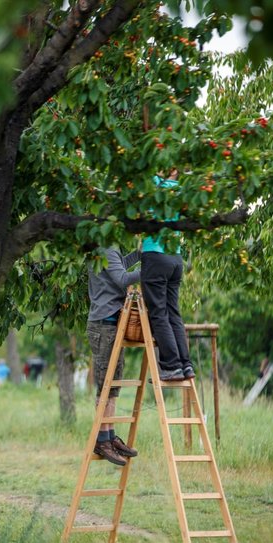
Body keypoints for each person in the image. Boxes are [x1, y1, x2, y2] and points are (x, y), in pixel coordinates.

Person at [87, 247, 142, 466]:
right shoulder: (104, 248)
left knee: (114, 384)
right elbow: (122, 279)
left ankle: (109, 436)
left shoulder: (110, 249)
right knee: (105, 384)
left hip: (113, 324)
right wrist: (150, 268)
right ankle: (102, 440)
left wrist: (138, 255)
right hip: (104, 325)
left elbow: (118, 267)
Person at [141, 168, 194, 382]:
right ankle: (185, 364)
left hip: (156, 255)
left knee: (158, 313)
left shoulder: (155, 183)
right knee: (173, 313)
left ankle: (171, 365)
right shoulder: (182, 189)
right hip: (175, 258)